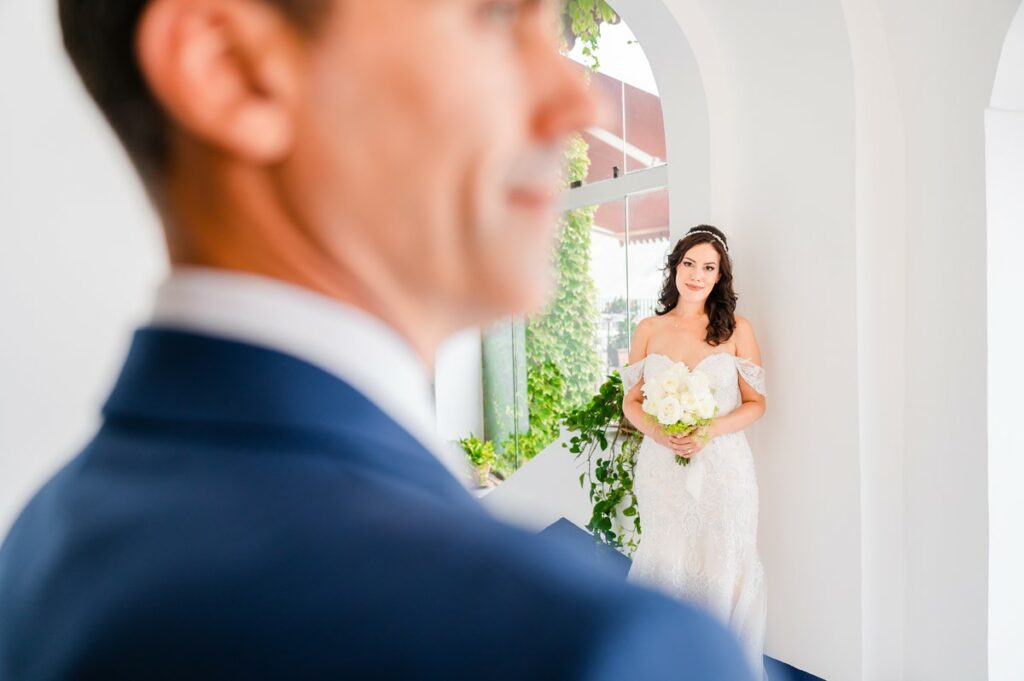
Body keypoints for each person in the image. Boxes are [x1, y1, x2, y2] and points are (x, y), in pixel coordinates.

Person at [0, 1, 755, 679]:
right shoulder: (596, 648)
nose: (571, 99)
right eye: (493, 17)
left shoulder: (42, 543)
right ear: (231, 70)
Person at [621, 225, 769, 680]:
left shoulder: (737, 330)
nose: (697, 275)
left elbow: (756, 403)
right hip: (662, 469)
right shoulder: (649, 328)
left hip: (725, 469)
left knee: (723, 561)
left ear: (720, 275)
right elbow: (630, 401)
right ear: (675, 266)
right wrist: (660, 434)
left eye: (709, 267)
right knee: (666, 561)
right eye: (689, 263)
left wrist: (710, 430)